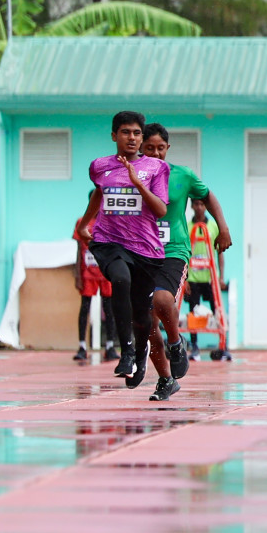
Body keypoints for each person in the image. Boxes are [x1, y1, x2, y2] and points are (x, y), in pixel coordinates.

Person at [73, 111, 170, 389]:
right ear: (114, 136)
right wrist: (86, 222)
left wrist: (138, 184)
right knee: (119, 279)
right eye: (126, 132)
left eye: (137, 133)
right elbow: (99, 193)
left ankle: (140, 357)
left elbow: (161, 209)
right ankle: (125, 351)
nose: (132, 138)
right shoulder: (99, 166)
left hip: (145, 249)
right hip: (110, 242)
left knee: (142, 314)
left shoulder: (155, 168)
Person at [139, 123, 232, 401]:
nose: (155, 154)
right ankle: (166, 380)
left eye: (160, 148)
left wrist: (223, 227)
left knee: (162, 299)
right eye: (149, 148)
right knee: (145, 322)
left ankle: (176, 343)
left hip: (174, 250)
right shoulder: (134, 176)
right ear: (141, 148)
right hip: (141, 251)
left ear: (168, 149)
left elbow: (207, 196)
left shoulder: (182, 175)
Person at [185, 196, 225, 360]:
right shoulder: (187, 227)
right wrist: (185, 278)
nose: (200, 207)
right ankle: (194, 346)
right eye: (197, 204)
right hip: (193, 278)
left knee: (217, 310)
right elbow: (184, 254)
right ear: (192, 206)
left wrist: (222, 276)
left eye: (202, 204)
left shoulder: (213, 226)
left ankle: (223, 345)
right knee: (193, 313)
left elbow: (220, 252)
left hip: (211, 278)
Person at [74, 227, 117, 363]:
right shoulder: (82, 222)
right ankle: (82, 346)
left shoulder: (109, 220)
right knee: (85, 307)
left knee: (109, 308)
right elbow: (78, 250)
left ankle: (110, 346)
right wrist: (77, 275)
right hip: (87, 271)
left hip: (105, 271)